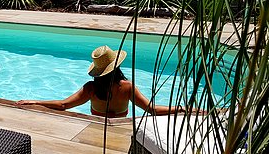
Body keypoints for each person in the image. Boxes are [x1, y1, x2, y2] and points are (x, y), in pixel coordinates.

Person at [16, 45, 192, 117]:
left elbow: (63, 105)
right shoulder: (128, 87)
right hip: (120, 130)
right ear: (117, 66)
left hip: (97, 129)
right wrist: (182, 109)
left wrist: (35, 101)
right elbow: (152, 109)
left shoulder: (91, 88)